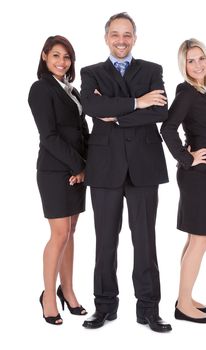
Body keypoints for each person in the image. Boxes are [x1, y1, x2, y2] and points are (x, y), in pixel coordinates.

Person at [80, 12, 171, 332]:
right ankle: (104, 305)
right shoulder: (90, 72)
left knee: (146, 240)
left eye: (127, 35)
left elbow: (161, 110)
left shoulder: (152, 69)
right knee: (105, 241)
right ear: (106, 37)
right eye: (116, 34)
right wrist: (138, 102)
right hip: (105, 168)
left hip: (144, 166)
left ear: (135, 38)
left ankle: (149, 308)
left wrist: (117, 114)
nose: (121, 40)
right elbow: (91, 108)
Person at [161, 39, 206, 323]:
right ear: (183, 64)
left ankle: (186, 297)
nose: (198, 64)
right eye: (191, 60)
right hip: (196, 176)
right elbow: (167, 128)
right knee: (201, 240)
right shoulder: (187, 92)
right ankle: (183, 307)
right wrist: (186, 157)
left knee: (195, 239)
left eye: (201, 58)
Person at [28, 35, 89, 325]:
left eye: (66, 57)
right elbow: (49, 136)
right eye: (56, 56)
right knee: (60, 233)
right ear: (44, 56)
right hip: (55, 171)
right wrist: (78, 165)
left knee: (71, 231)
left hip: (78, 170)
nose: (62, 62)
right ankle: (49, 296)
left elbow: (82, 130)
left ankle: (68, 290)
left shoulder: (72, 91)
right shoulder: (41, 89)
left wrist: (87, 167)